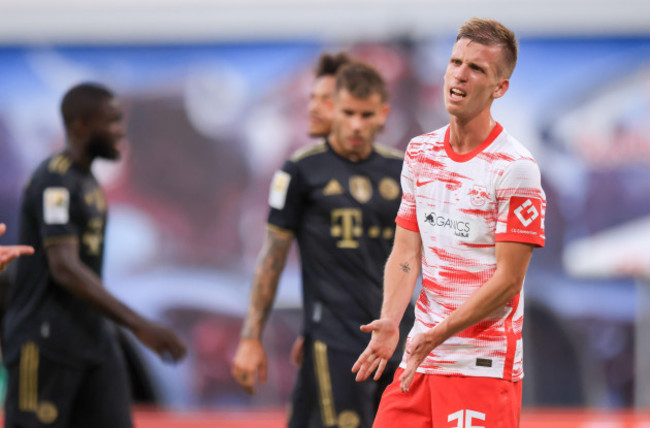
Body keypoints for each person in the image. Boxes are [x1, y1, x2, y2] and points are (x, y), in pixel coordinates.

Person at [353, 18, 546, 428]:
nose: (460, 74)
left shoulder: (516, 169)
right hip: (419, 362)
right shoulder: (421, 153)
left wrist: (437, 334)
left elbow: (508, 282)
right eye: (456, 61)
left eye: (476, 68)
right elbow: (406, 253)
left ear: (500, 88)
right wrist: (391, 320)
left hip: (482, 365)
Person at [231, 57, 414, 428]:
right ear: (336, 109)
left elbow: (418, 253)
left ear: (383, 114)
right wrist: (251, 338)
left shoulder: (404, 170)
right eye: (348, 112)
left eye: (366, 115)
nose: (357, 125)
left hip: (397, 334)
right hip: (333, 338)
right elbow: (272, 258)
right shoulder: (300, 171)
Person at [2, 83, 187, 428]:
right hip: (45, 341)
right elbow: (65, 268)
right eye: (113, 121)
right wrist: (139, 325)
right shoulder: (54, 181)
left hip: (92, 338)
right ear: (81, 126)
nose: (121, 131)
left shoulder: (87, 182)